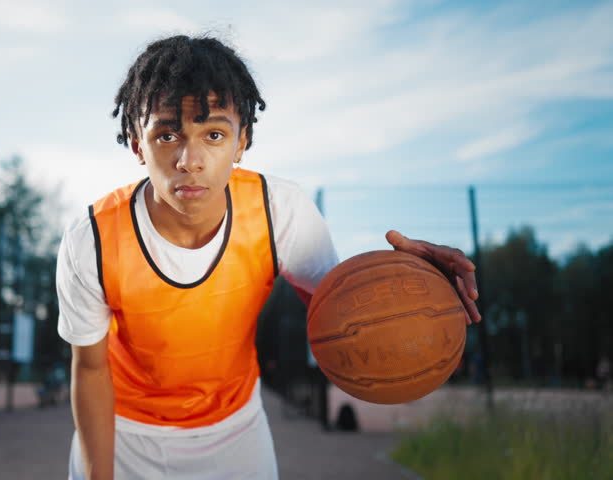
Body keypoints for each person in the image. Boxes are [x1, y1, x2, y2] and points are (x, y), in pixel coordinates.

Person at [56, 35, 481, 480]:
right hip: (127, 434)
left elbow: (343, 310)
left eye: (214, 134)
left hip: (236, 430)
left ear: (242, 143)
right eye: (166, 135)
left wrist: (418, 281)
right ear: (136, 144)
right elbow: (89, 369)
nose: (190, 159)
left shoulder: (279, 210)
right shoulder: (93, 239)